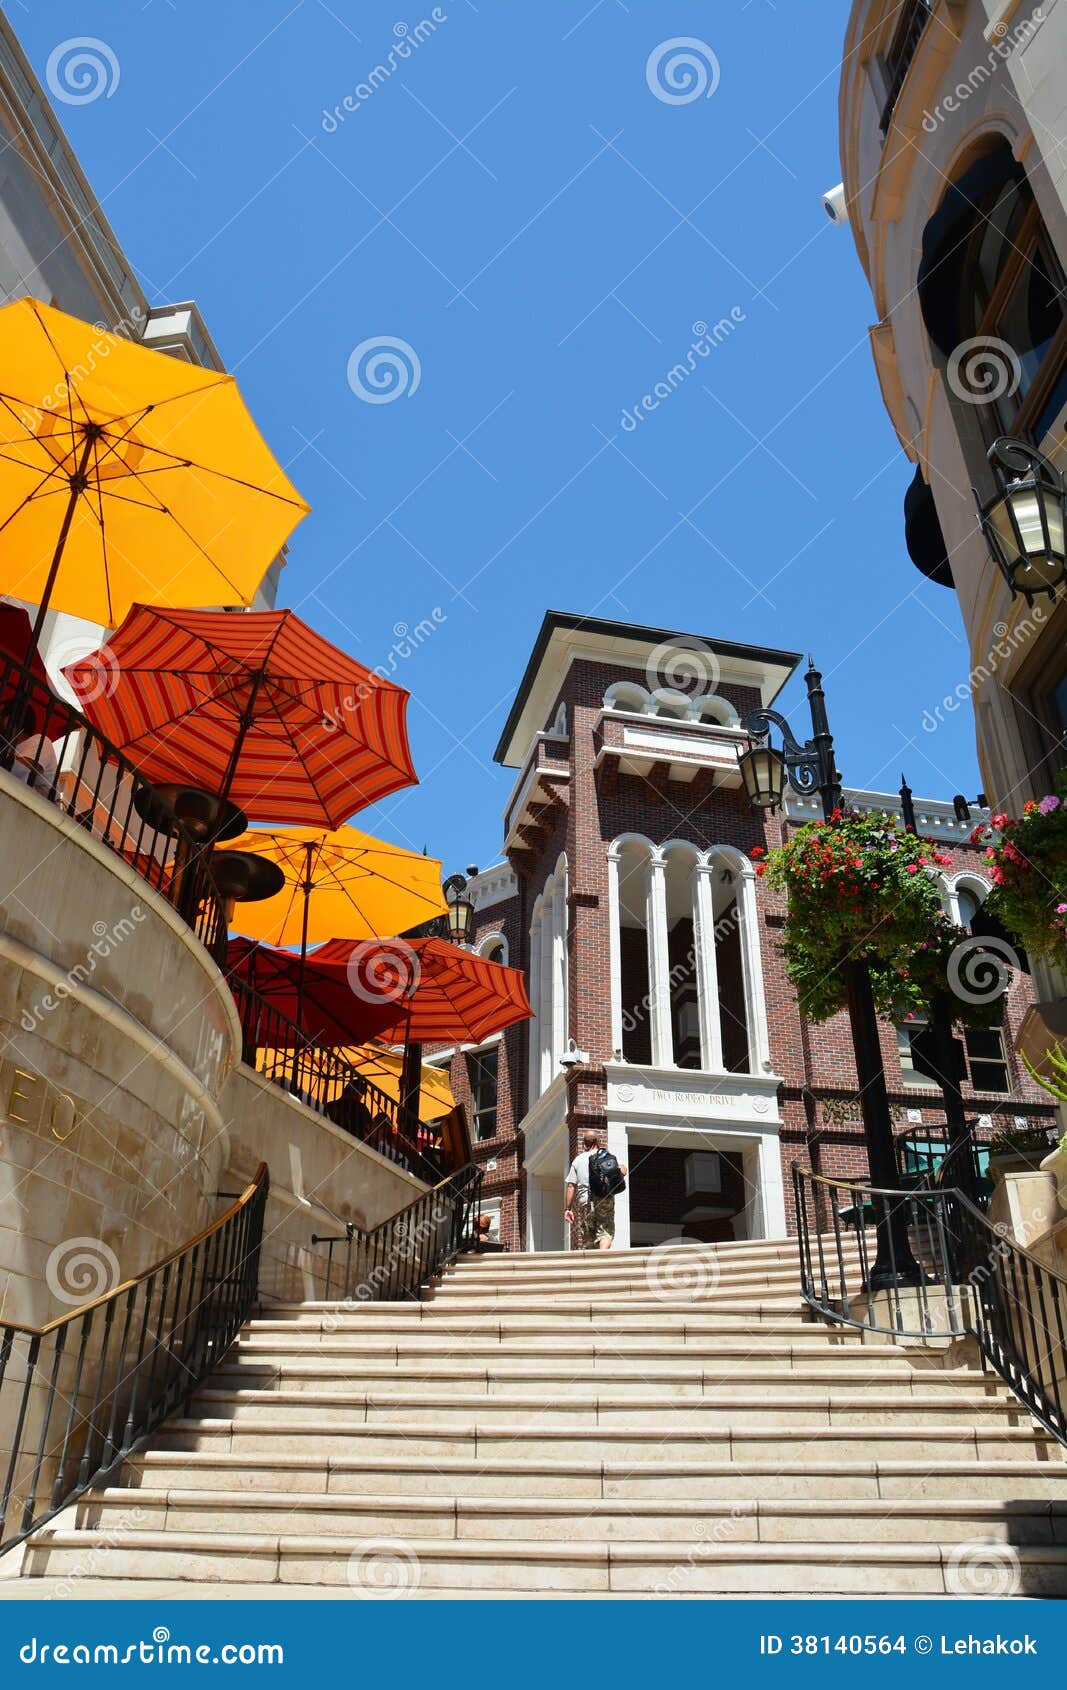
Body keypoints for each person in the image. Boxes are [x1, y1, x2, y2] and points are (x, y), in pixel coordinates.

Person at [564, 1129, 627, 1251]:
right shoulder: (606, 1157)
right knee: (606, 1230)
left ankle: (594, 1260)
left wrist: (568, 1208)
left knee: (588, 1236)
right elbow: (620, 1172)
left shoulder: (577, 1160)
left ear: (584, 1144)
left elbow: (571, 1185)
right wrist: (622, 1170)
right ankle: (602, 1253)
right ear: (598, 1141)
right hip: (605, 1198)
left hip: (585, 1202)